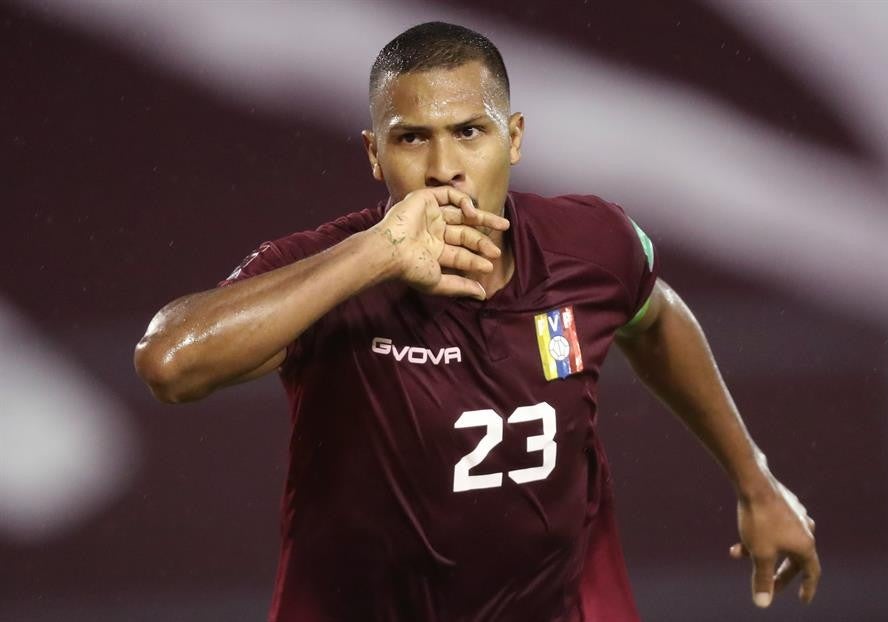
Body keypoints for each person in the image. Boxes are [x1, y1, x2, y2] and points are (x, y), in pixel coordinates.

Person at [134, 21, 820, 622]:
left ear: (513, 138)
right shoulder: (325, 272)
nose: (444, 169)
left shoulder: (591, 244)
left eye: (469, 133)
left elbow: (656, 315)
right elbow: (169, 364)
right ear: (374, 154)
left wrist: (755, 481)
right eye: (411, 139)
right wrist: (377, 253)